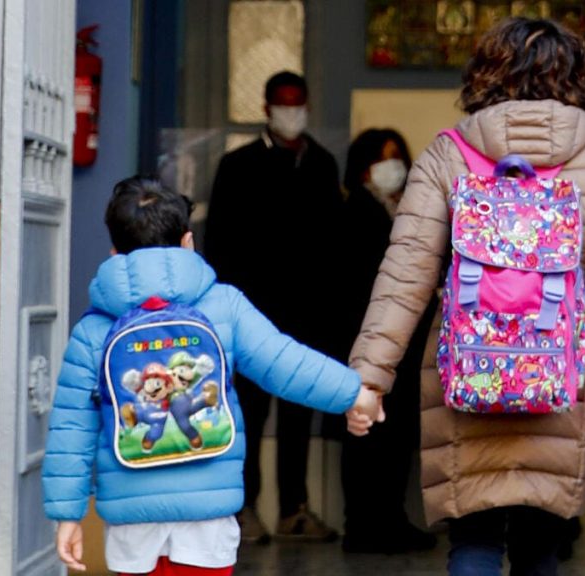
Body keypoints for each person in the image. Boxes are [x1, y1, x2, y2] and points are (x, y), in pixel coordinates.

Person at [348, 18, 585, 575]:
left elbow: (404, 275)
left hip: (466, 372)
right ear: (576, 79)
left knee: (474, 539)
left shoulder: (448, 155)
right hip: (559, 377)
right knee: (541, 544)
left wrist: (370, 379)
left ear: (485, 75)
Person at [42, 177, 379, 576]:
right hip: (208, 513)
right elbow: (284, 363)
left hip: (132, 515)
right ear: (188, 242)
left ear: (115, 252)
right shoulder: (224, 305)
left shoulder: (94, 329)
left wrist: (68, 515)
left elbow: (71, 427)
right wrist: (355, 394)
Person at [204, 71, 347, 542]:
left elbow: (331, 245)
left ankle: (295, 510)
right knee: (246, 414)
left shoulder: (322, 164)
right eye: (284, 104)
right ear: (266, 108)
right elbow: (219, 244)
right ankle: (242, 510)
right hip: (250, 314)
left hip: (306, 316)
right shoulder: (238, 165)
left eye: (299, 103)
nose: (292, 113)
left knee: (297, 415)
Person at [339, 128, 437, 554]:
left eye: (397, 156)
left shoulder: (405, 212)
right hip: (364, 344)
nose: (391, 166)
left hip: (403, 349)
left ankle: (391, 520)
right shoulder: (354, 212)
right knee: (366, 438)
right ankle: (363, 525)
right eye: (382, 158)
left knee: (394, 440)